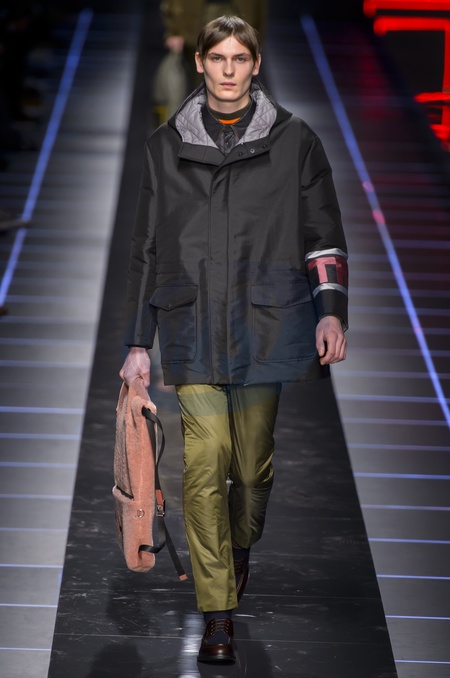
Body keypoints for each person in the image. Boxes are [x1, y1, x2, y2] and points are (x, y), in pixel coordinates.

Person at [120, 15, 348, 664]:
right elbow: (145, 248)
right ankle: (217, 613)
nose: (227, 70)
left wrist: (331, 313)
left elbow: (323, 234)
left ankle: (241, 543)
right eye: (216, 58)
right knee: (201, 468)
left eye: (238, 58)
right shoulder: (165, 146)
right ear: (199, 63)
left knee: (250, 469)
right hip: (191, 325)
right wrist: (138, 343)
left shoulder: (295, 141)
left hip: (265, 325)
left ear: (255, 65)